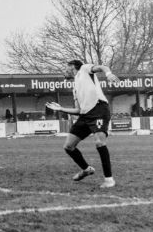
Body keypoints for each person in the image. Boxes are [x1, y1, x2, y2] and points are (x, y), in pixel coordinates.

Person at [46, 60, 120, 189]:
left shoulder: (84, 69)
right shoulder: (75, 86)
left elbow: (103, 67)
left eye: (65, 68)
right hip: (85, 115)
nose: (64, 71)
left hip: (99, 110)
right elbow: (78, 110)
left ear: (72, 67)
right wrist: (61, 109)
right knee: (69, 146)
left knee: (99, 142)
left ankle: (109, 180)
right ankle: (87, 169)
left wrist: (108, 74)